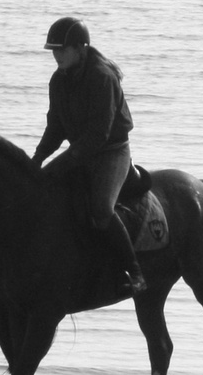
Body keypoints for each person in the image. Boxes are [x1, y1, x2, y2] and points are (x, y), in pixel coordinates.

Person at [31, 17, 145, 296]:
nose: (57, 56)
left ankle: (134, 271)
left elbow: (98, 136)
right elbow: (55, 127)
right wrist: (35, 161)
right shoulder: (58, 80)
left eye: (62, 50)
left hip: (111, 152)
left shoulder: (102, 77)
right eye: (54, 51)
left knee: (102, 209)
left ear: (81, 48)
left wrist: (60, 163)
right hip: (81, 151)